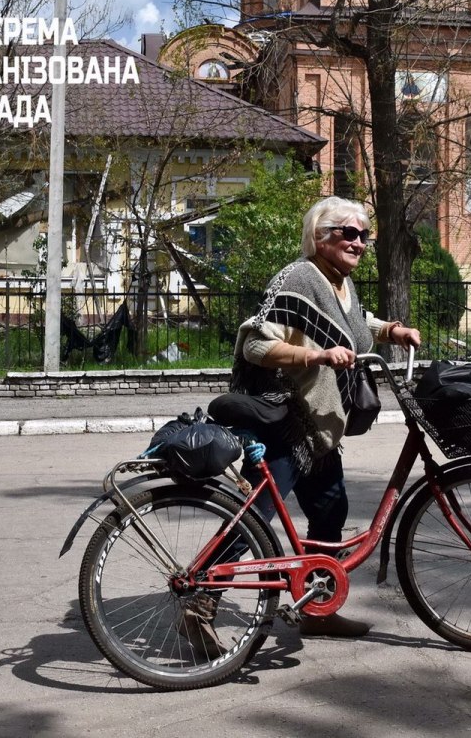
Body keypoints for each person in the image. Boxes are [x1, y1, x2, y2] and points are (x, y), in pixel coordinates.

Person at [182, 196, 420, 655]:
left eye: (364, 235)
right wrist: (315, 355)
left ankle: (318, 611)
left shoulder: (340, 285)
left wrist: (393, 329)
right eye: (348, 233)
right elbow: (256, 344)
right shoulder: (297, 277)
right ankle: (198, 604)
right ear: (320, 236)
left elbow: (354, 324)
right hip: (282, 420)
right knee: (253, 519)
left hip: (316, 428)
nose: (359, 242)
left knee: (330, 509)